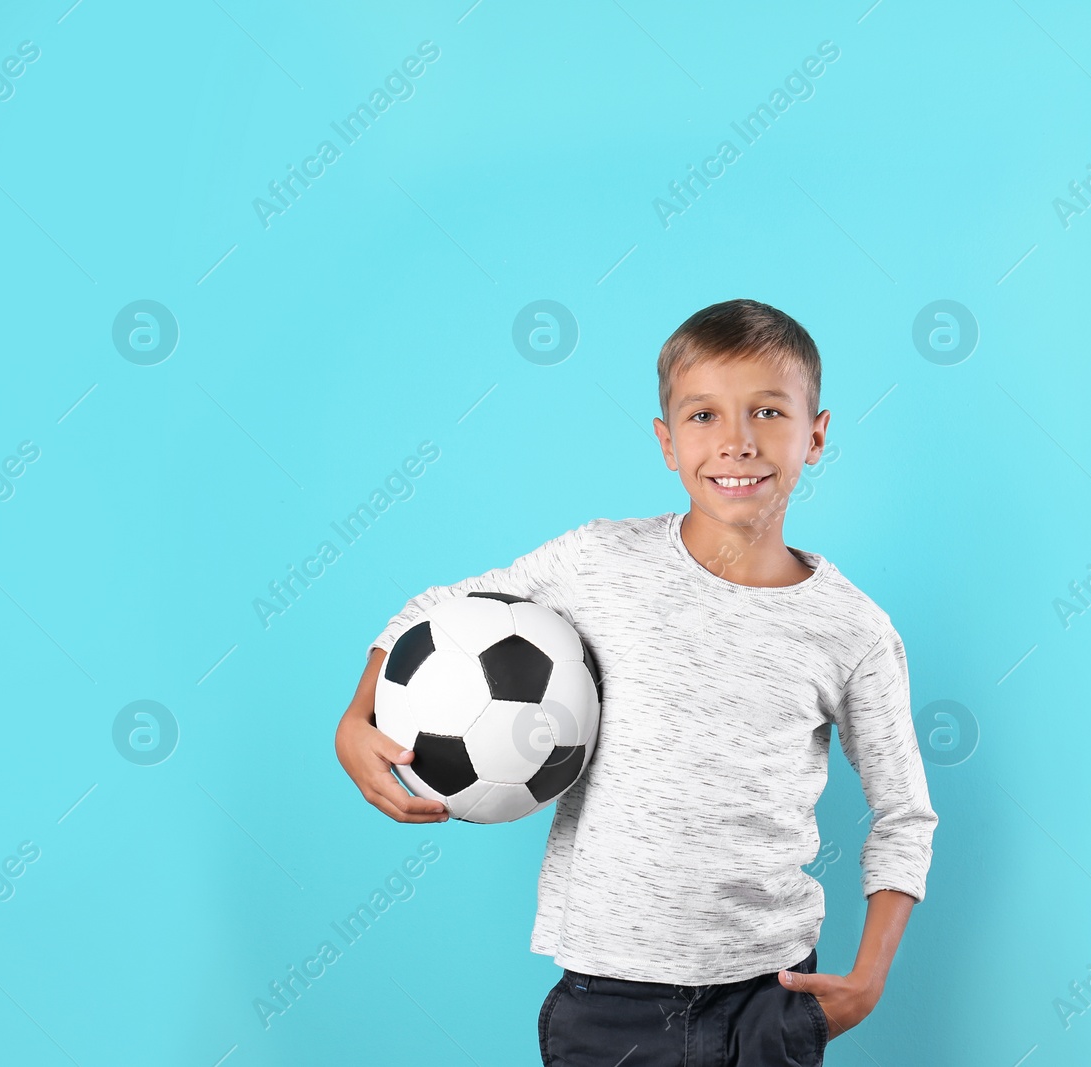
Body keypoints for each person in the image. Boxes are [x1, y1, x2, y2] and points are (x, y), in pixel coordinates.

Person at [335, 298, 938, 1066]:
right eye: (703, 417)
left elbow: (905, 815)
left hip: (768, 991)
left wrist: (870, 977)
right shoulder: (597, 563)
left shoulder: (852, 629)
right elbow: (436, 611)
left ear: (815, 434)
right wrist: (357, 716)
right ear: (666, 442)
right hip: (607, 993)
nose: (738, 442)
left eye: (767, 411)